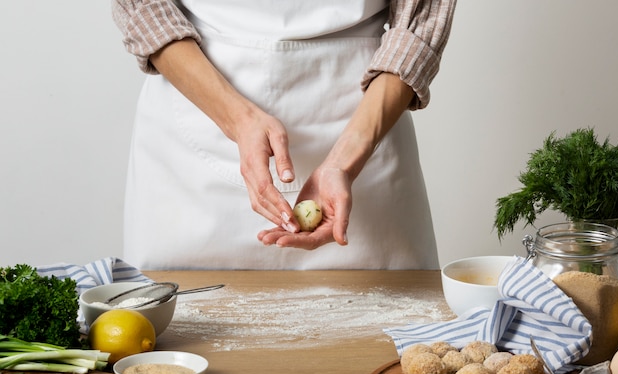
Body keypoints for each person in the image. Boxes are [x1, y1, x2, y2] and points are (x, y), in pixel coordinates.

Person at [112, 0, 456, 270]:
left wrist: (346, 159)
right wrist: (237, 118)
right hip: (196, 108)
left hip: (366, 115)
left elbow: (421, 19)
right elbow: (143, 5)